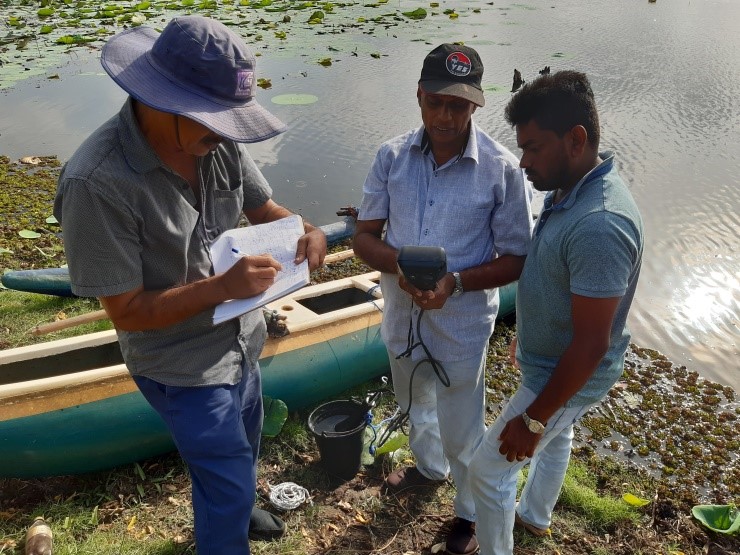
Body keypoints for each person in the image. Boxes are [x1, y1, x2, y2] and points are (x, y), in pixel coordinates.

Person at [53, 16, 327, 555]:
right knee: (222, 474)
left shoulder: (216, 138)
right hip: (180, 363)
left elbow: (263, 207)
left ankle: (240, 501)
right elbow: (127, 311)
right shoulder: (96, 182)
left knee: (243, 443)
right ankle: (228, 523)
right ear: (164, 102)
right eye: (213, 123)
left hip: (242, 336)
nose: (224, 135)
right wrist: (221, 287)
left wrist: (305, 230)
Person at [353, 44, 533, 555]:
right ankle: (428, 469)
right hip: (402, 314)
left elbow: (516, 257)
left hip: (463, 324)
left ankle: (467, 512)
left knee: (463, 426)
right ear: (419, 96)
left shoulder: (501, 169)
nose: (446, 117)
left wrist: (453, 282)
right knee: (412, 403)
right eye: (436, 102)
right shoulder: (391, 156)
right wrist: (401, 268)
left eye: (459, 105)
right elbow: (365, 235)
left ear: (475, 105)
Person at [468, 70, 644, 554]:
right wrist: (527, 341)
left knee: (489, 471)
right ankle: (536, 516)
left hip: (566, 374)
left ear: (576, 139)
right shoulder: (572, 185)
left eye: (533, 148)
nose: (523, 162)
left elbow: (591, 344)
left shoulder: (600, 223)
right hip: (547, 359)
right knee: (557, 440)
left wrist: (534, 419)